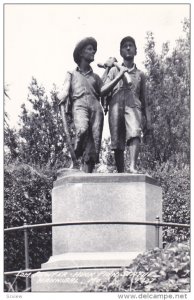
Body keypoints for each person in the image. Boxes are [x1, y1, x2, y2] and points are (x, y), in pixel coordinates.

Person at [101, 36, 151, 173]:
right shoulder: (113, 70)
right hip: (115, 106)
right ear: (120, 52)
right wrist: (118, 75)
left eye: (131, 46)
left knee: (135, 132)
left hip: (133, 106)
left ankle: (133, 167)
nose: (128, 48)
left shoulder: (140, 74)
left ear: (136, 51)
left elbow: (145, 100)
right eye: (124, 46)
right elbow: (102, 91)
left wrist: (149, 120)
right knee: (117, 141)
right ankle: (121, 171)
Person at [57, 37, 104, 173]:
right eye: (89, 49)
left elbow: (104, 91)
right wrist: (63, 93)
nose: (93, 51)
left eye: (93, 49)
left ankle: (87, 173)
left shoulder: (96, 77)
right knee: (82, 130)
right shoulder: (71, 73)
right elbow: (65, 89)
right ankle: (75, 158)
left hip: (96, 107)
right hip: (79, 104)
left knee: (94, 142)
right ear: (81, 53)